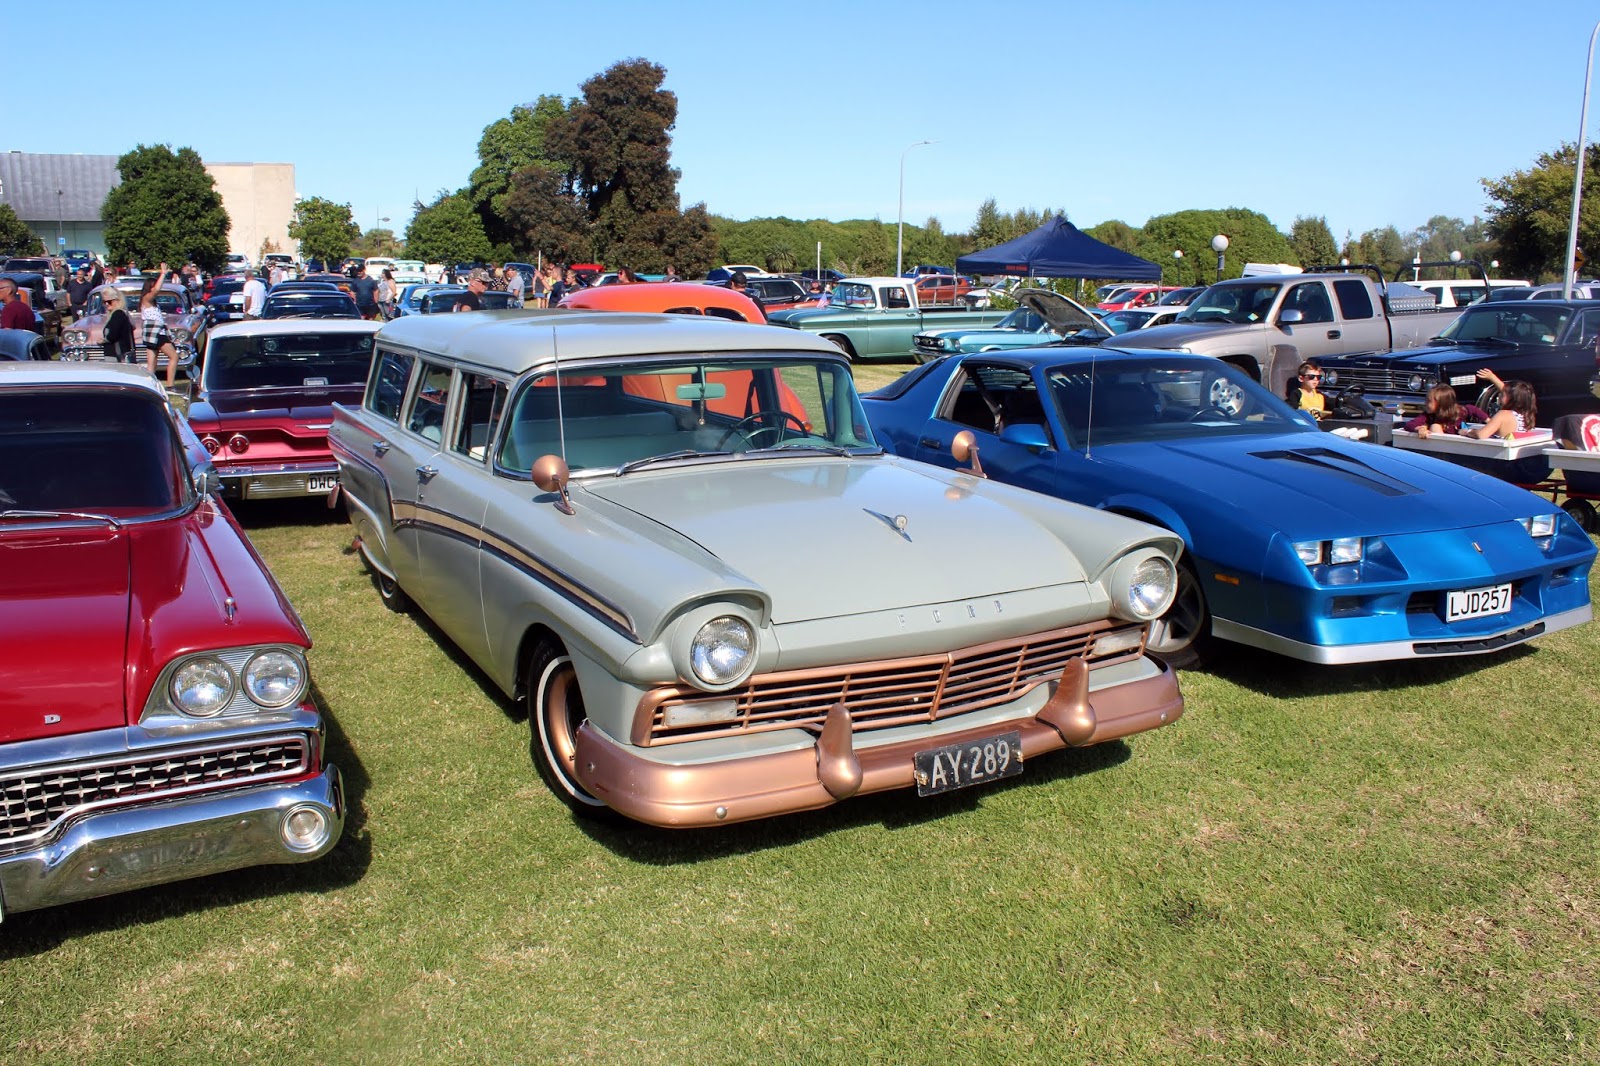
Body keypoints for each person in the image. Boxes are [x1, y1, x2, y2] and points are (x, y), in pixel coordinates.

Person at [139, 265, 181, 388]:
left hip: (154, 333)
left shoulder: (152, 303)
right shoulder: (146, 299)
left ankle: (150, 385)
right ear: (148, 288)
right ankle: (170, 385)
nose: (155, 289)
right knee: (174, 356)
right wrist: (163, 274)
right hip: (156, 333)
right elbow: (157, 289)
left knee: (152, 362)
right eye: (153, 286)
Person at [1465, 369, 1538, 440]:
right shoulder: (1527, 416)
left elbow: (1481, 435)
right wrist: (1492, 378)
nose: (1499, 395)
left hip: (1498, 451)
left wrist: (1467, 432)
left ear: (1512, 399)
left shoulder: (1503, 415)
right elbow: (1510, 393)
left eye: (1502, 394)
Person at [1401, 383, 1492, 439]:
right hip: (1444, 446)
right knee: (1435, 426)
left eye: (1429, 401)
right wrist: (1419, 428)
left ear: (1441, 403)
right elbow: (1409, 425)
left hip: (1460, 442)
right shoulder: (1428, 416)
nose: (1425, 403)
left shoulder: (1460, 411)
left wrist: (1489, 422)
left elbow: (1473, 409)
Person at [101, 286, 135, 363]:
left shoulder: (118, 314)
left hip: (117, 355)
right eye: (104, 302)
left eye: (109, 301)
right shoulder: (122, 313)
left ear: (117, 301)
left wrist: (103, 340)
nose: (106, 304)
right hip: (118, 354)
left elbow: (113, 334)